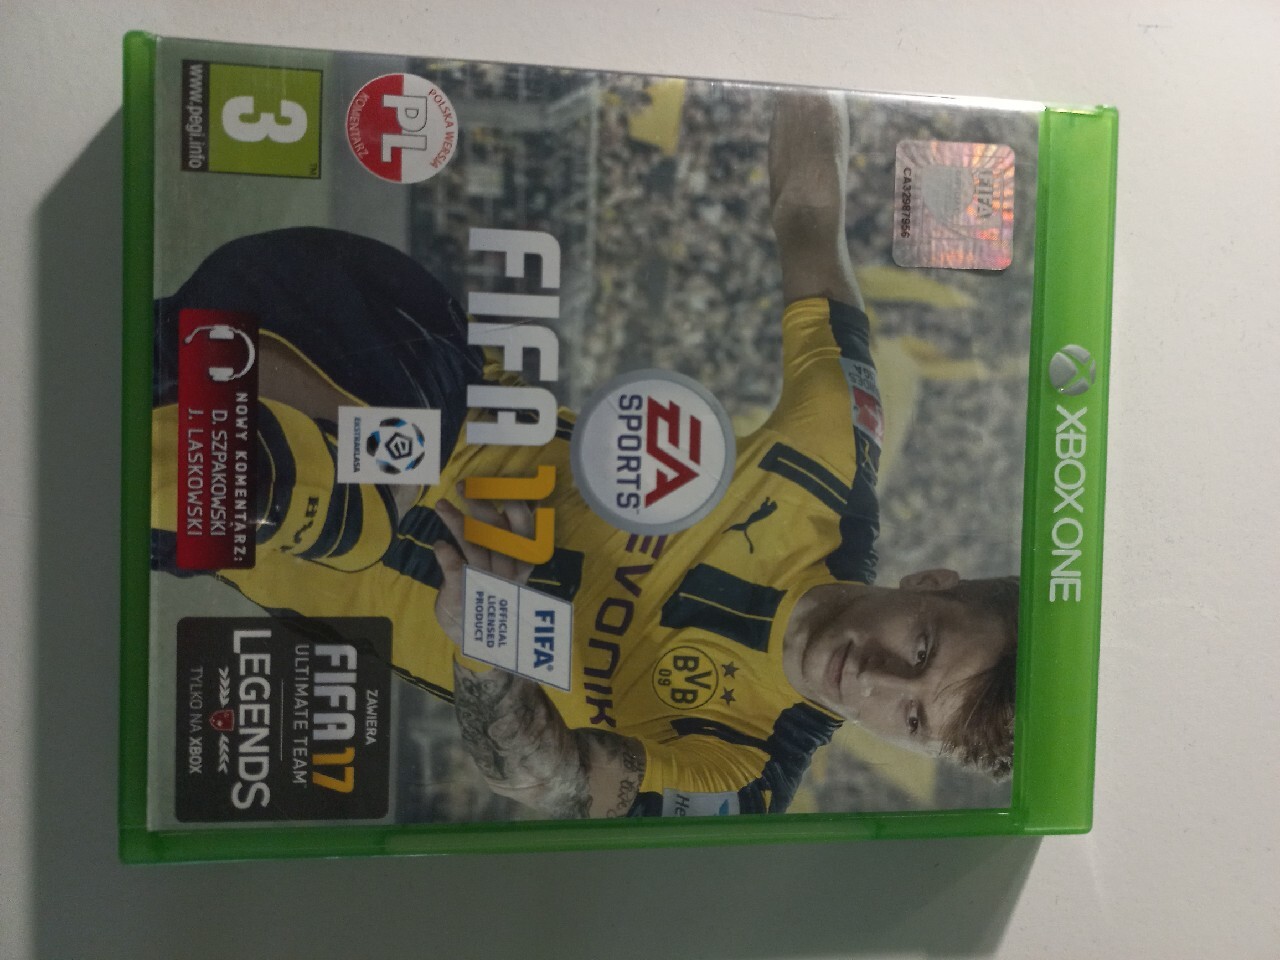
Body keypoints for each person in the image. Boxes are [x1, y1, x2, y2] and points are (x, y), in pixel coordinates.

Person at [150, 90, 1017, 819]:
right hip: (381, 363)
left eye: (911, 718)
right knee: (340, 491)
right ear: (931, 583)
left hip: (285, 549)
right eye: (921, 648)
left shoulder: (743, 771)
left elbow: (555, 780)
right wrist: (807, 57)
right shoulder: (828, 470)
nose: (872, 681)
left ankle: (181, 381)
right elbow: (808, 214)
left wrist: (486, 651)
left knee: (121, 418)